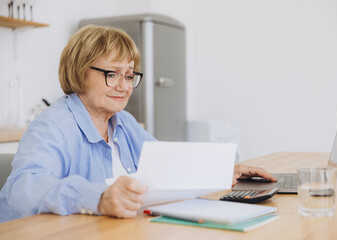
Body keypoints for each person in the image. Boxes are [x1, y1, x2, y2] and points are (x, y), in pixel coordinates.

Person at [0, 25, 276, 223]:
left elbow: (167, 165)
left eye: (129, 75)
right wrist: (98, 197)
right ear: (80, 72)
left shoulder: (123, 122)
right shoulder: (52, 125)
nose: (124, 86)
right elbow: (24, 188)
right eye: (112, 74)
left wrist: (222, 169)